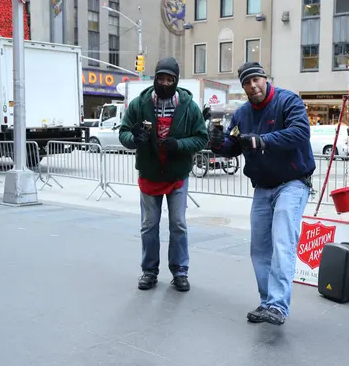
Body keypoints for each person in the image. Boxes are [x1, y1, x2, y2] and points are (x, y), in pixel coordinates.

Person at [209, 62, 315, 326]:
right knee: (259, 249)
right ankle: (268, 302)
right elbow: (232, 145)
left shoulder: (287, 101)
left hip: (292, 182)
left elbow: (300, 133)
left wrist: (262, 140)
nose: (253, 85)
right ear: (243, 86)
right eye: (247, 82)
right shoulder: (243, 113)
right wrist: (217, 143)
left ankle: (278, 306)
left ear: (265, 79)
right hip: (263, 187)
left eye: (256, 79)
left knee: (282, 242)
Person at [118, 57, 208, 292]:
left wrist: (178, 145)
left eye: (170, 79)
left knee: (178, 224)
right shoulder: (139, 104)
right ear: (155, 78)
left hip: (177, 175)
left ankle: (180, 271)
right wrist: (134, 139)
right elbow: (124, 132)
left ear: (176, 81)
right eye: (161, 78)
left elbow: (201, 138)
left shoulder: (189, 106)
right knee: (149, 225)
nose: (165, 83)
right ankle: (149, 271)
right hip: (149, 173)